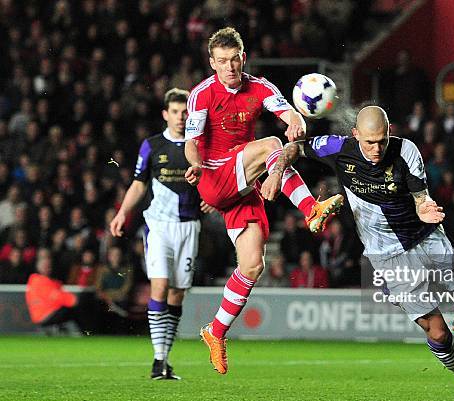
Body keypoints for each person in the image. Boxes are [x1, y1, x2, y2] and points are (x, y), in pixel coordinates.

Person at [261, 106, 454, 401]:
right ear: (356, 135)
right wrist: (278, 170)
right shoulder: (338, 148)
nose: (376, 149)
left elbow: (420, 196)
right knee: (437, 331)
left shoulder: (406, 151)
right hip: (388, 255)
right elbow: (294, 148)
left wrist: (424, 207)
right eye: (369, 142)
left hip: (426, 236)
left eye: (382, 141)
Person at [183, 27, 343, 374]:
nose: (229, 67)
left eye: (234, 59)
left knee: (253, 265)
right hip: (213, 176)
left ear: (244, 58)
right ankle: (310, 209)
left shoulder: (261, 87)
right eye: (222, 61)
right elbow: (192, 142)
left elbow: (290, 117)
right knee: (272, 144)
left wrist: (297, 122)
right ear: (212, 63)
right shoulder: (201, 94)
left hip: (242, 182)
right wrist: (195, 164)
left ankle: (215, 331)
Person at [110, 88, 201, 380]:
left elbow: (212, 178)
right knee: (159, 287)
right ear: (165, 114)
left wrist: (214, 199)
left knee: (177, 294)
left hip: (188, 226)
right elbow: (139, 183)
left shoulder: (198, 145)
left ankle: (165, 358)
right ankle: (158, 358)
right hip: (158, 226)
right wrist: (123, 212)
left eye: (185, 112)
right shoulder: (152, 145)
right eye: (175, 111)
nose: (180, 117)